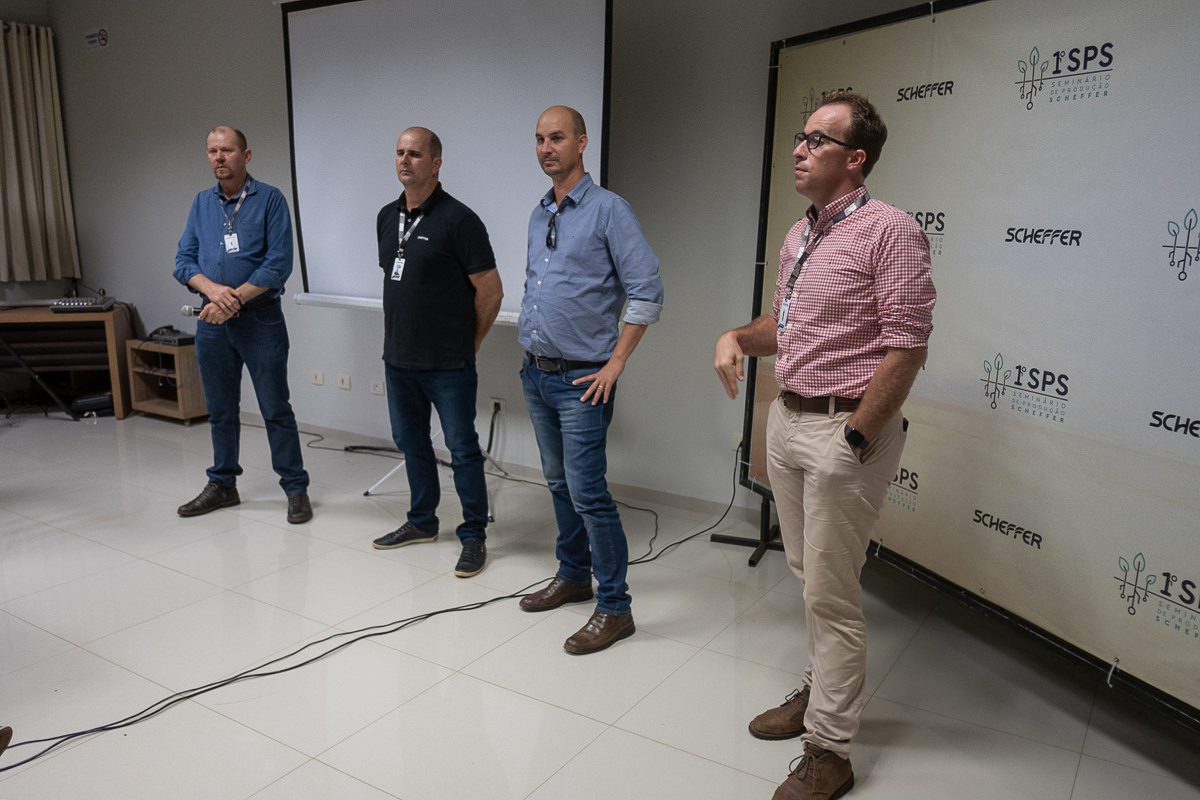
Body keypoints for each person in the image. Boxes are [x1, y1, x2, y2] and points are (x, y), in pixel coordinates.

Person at [713, 91, 935, 800]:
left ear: (855, 158)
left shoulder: (890, 231)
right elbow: (783, 327)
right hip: (787, 420)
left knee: (832, 595)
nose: (800, 149)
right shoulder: (800, 234)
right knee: (810, 578)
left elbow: (907, 348)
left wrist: (856, 437)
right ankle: (819, 692)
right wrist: (735, 337)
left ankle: (830, 750)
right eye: (801, 137)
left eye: (817, 139)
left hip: (844, 432)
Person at [516, 105, 664, 655]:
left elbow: (647, 291)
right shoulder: (539, 214)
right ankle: (574, 575)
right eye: (539, 139)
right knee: (558, 483)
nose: (546, 148)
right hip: (536, 373)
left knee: (588, 492)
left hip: (583, 381)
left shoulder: (609, 211)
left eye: (556, 138)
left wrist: (616, 362)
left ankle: (616, 608)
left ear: (581, 143)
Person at [370, 127, 503, 578]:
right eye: (400, 153)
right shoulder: (386, 216)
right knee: (412, 443)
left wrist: (471, 342)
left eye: (415, 154)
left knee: (462, 449)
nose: (405, 160)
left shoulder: (460, 220)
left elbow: (491, 292)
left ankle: (474, 535)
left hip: (448, 364)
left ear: (436, 163)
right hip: (398, 359)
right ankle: (422, 522)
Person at [174, 126, 312, 525]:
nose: (219, 157)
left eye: (227, 150)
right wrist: (213, 291)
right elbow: (183, 261)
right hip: (212, 321)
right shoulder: (202, 203)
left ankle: (295, 488)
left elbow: (278, 264)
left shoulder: (270, 199)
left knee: (275, 408)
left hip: (260, 319)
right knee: (220, 410)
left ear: (246, 156)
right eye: (212, 151)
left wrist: (231, 300)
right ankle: (223, 485)